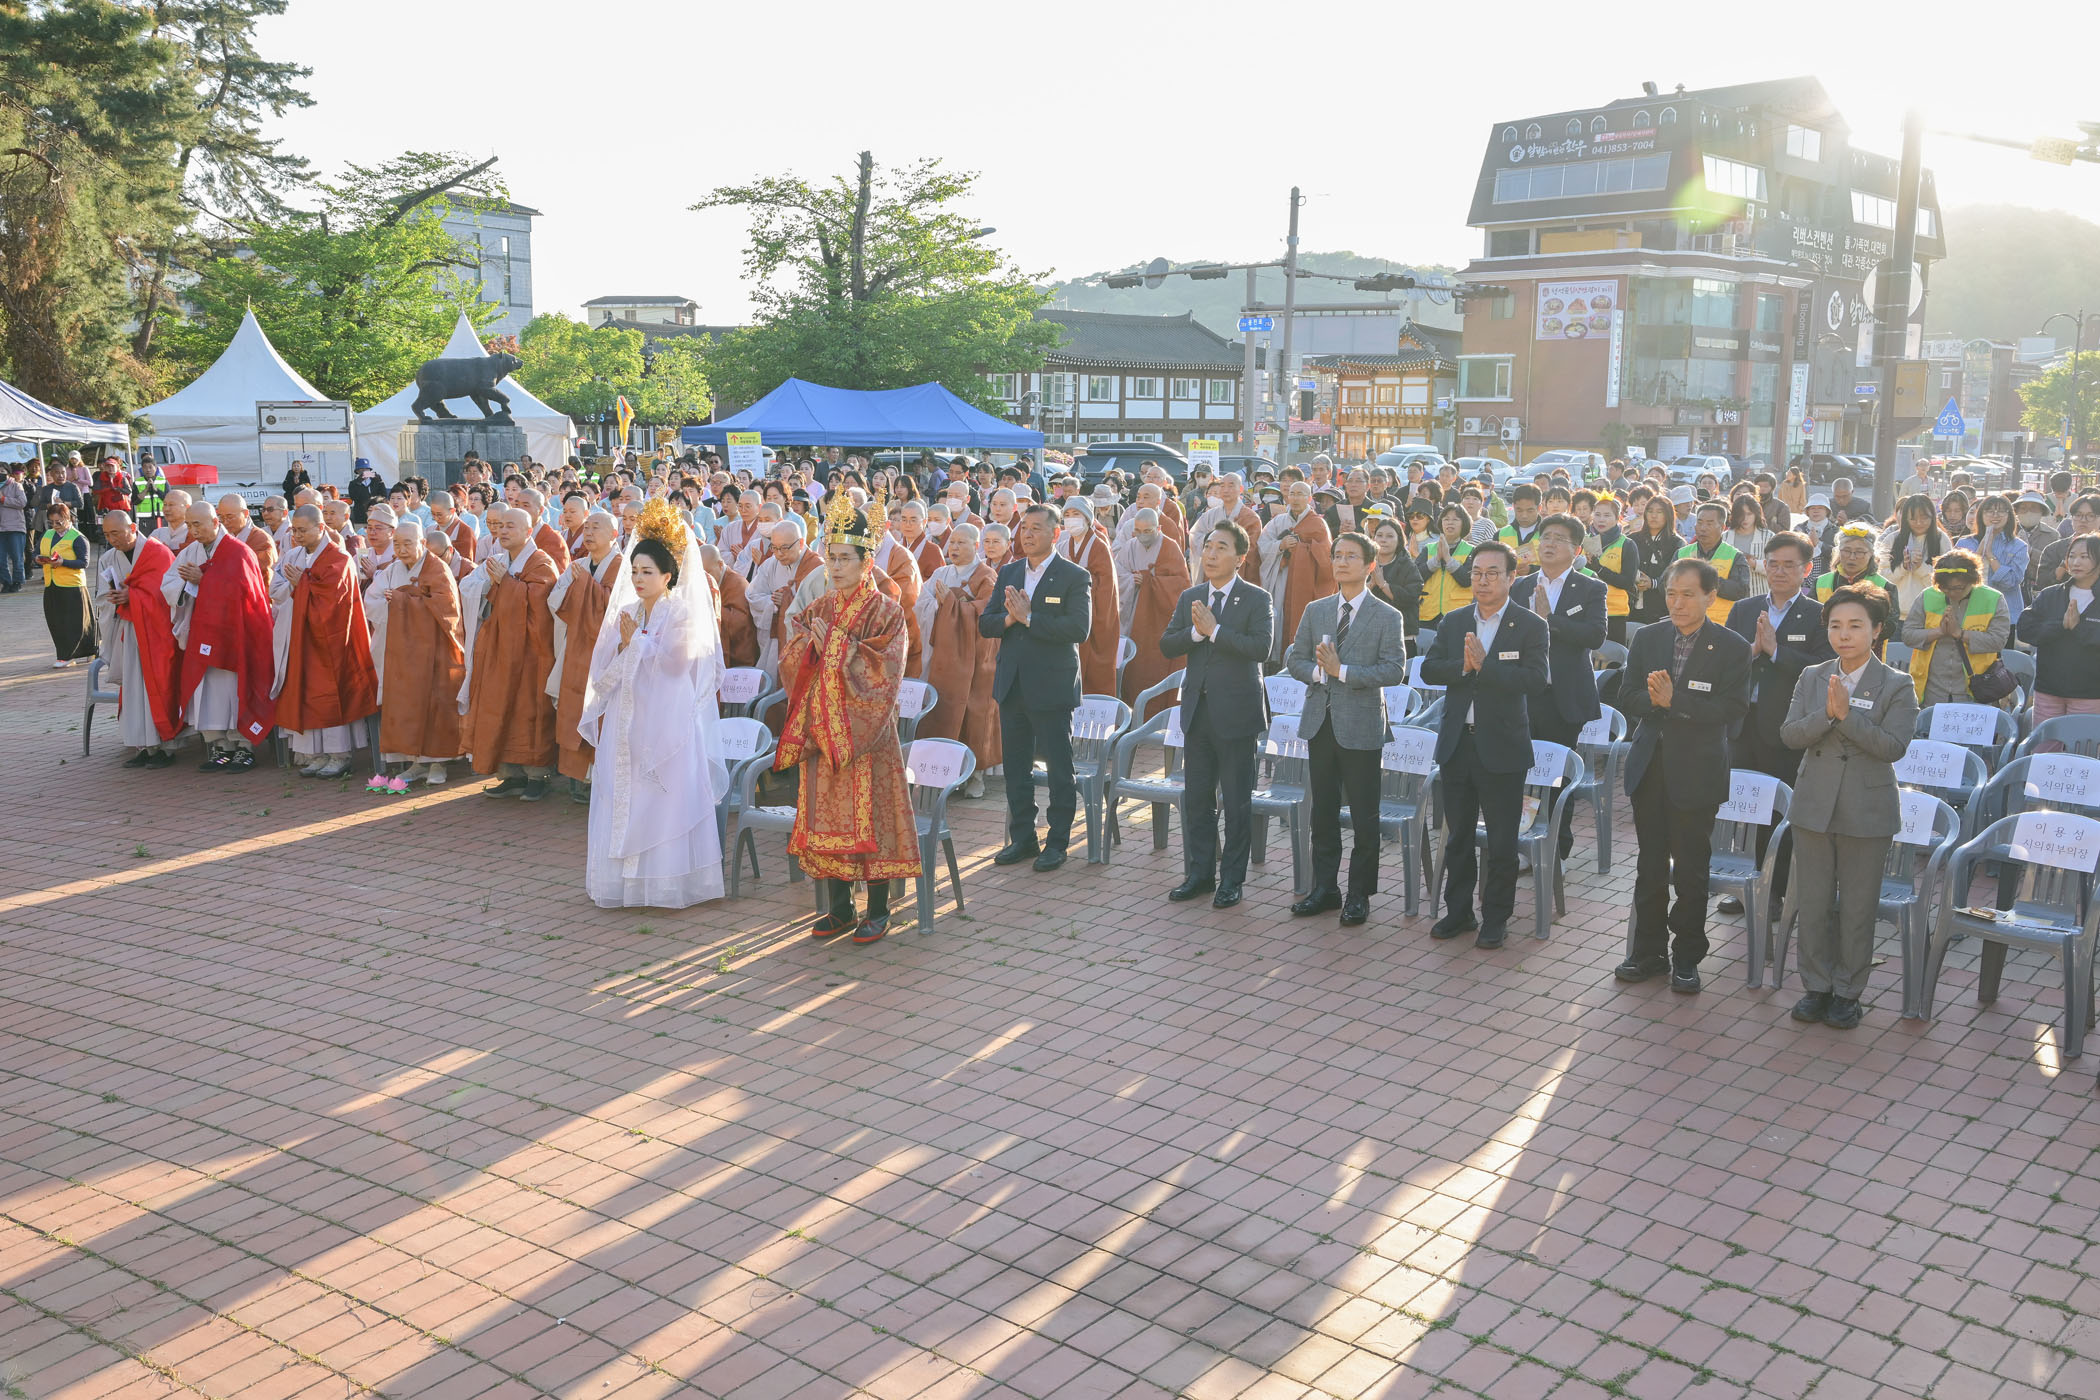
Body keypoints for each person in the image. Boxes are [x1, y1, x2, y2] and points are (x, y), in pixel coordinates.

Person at [776, 497, 919, 941]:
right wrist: (812, 649)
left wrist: (837, 647)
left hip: (868, 735)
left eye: (844, 559)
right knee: (827, 820)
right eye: (831, 558)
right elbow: (791, 657)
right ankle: (839, 908)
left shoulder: (887, 612)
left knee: (871, 818)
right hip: (823, 732)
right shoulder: (820, 608)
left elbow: (885, 671)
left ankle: (878, 909)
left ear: (866, 561)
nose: (835, 567)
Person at [1780, 584, 1917, 1030]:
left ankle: (1847, 993)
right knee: (1813, 902)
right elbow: (1790, 734)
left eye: (1856, 625)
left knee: (1858, 907)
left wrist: (1847, 716)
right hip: (1814, 803)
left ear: (1877, 630)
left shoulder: (1897, 683)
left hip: (1867, 806)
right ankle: (1816, 987)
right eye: (1836, 625)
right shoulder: (1812, 676)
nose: (1844, 634)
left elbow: (1893, 746)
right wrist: (1827, 714)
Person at [1617, 558, 1752, 993]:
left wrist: (1675, 703)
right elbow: (1627, 694)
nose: (1677, 603)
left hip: (1697, 771)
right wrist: (1654, 702)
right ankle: (1648, 952)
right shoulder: (1649, 637)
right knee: (1649, 865)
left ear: (1711, 597)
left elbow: (1732, 710)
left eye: (1688, 595)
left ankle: (1688, 957)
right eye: (1671, 594)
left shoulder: (1731, 647)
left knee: (1692, 871)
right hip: (1650, 767)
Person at [1420, 541, 1550, 947]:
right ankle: (1458, 912)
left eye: (1492, 573)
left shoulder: (1530, 625)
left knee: (1501, 841)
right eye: (1476, 572)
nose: (1482, 580)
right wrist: (1462, 666)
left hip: (1503, 747)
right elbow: (1429, 668)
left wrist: (1486, 667)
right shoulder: (1455, 620)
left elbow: (1535, 681)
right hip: (1458, 744)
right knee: (1458, 836)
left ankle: (1496, 917)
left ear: (1512, 577)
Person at [1286, 532, 1408, 925]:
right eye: (1337, 555)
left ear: (1370, 566)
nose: (1341, 562)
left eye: (1351, 556)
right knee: (1322, 812)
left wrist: (1343, 671)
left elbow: (1394, 669)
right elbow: (1295, 659)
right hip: (1320, 722)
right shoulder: (1317, 609)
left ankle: (1359, 894)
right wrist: (1319, 672)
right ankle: (1325, 888)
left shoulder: (1387, 615)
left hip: (1362, 725)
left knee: (1363, 815)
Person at [1159, 522, 1273, 909]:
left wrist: (1215, 630)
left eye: (1221, 547)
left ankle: (1232, 880)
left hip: (1237, 714)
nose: (1210, 553)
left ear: (1240, 558)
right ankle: (1200, 874)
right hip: (1198, 712)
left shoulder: (1256, 598)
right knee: (1197, 799)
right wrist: (1195, 633)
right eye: (1208, 545)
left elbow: (1261, 648)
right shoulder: (1191, 596)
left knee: (1237, 801)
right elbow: (1167, 644)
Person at [1721, 532, 1828, 918]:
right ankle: (1743, 885)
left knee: (1779, 812)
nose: (1779, 571)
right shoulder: (1744, 609)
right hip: (1741, 725)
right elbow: (1723, 661)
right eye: (1773, 564)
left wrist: (1777, 652)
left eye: (1789, 565)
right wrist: (1749, 653)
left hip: (1785, 728)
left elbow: (1821, 669)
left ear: (1806, 569)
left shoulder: (1818, 615)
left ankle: (1777, 891)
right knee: (1744, 807)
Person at [982, 503, 1093, 872]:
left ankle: (1057, 842)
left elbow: (1079, 629)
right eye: (1024, 528)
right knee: (1017, 768)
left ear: (1055, 534)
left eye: (1036, 528)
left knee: (1059, 769)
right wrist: (1010, 620)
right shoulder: (1010, 571)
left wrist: (1030, 618)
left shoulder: (1074, 576)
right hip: (1012, 684)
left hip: (1051, 685)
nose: (1027, 535)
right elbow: (986, 623)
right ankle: (1023, 837)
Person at [1510, 513, 1607, 861]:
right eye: (1545, 536)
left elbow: (1595, 635)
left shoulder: (1590, 587)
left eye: (1559, 538)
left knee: (1556, 777)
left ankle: (1555, 850)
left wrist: (1550, 620)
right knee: (1520, 772)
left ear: (1577, 549)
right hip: (1524, 695)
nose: (1549, 543)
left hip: (1563, 697)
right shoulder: (1521, 586)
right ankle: (1523, 844)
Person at [163, 499, 276, 771]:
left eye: (198, 524)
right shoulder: (190, 552)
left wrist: (204, 580)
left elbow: (246, 592)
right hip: (202, 633)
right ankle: (220, 747)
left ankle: (243, 746)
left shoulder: (239, 552)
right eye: (189, 525)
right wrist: (189, 582)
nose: (193, 531)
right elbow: (169, 583)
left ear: (215, 522)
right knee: (208, 692)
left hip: (235, 635)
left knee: (235, 691)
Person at [273, 504, 378, 779]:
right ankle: (315, 754)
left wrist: (303, 583)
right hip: (301, 634)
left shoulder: (339, 558)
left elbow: (333, 600)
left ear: (320, 528)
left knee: (331, 693)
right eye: (294, 531)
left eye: (302, 530)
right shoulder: (293, 554)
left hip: (331, 640)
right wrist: (298, 584)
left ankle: (339, 754)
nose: (297, 536)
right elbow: (276, 588)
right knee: (306, 690)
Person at [464, 507, 561, 800]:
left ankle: (537, 775)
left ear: (528, 531)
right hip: (499, 647)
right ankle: (510, 774)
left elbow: (541, 608)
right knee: (498, 705)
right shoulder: (498, 560)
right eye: (501, 526)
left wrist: (505, 583)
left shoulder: (542, 562)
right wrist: (493, 583)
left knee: (529, 710)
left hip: (532, 652)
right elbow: (470, 588)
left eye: (511, 526)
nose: (503, 531)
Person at [366, 517, 465, 786]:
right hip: (402, 651)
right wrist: (402, 601)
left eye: (408, 543)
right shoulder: (392, 570)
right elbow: (372, 599)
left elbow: (448, 610)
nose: (401, 549)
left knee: (436, 705)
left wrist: (401, 600)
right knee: (406, 704)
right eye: (397, 544)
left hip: (435, 651)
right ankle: (416, 763)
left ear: (422, 542)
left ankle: (438, 763)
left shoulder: (437, 569)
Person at [92, 511, 183, 766]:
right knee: (133, 688)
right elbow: (102, 597)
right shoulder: (109, 558)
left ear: (132, 527)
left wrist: (132, 597)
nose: (112, 539)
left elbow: (169, 593)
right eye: (107, 534)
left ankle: (166, 747)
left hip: (155, 633)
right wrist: (115, 598)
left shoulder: (158, 553)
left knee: (159, 686)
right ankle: (143, 746)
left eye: (116, 533)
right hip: (128, 632)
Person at [549, 511, 626, 800]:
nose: (589, 533)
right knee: (574, 707)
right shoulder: (579, 564)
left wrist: (583, 585)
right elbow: (555, 601)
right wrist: (578, 585)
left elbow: (616, 608)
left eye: (596, 528)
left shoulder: (622, 567)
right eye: (587, 528)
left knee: (602, 710)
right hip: (577, 648)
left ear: (614, 535)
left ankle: (598, 776)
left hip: (605, 651)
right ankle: (577, 774)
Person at [1902, 548, 2010, 708]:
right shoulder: (1928, 596)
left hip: (1975, 690)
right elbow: (1908, 635)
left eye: (1958, 588)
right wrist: (1939, 632)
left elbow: (1998, 641)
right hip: (1932, 689)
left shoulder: (1993, 599)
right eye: (1945, 588)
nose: (1952, 593)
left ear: (1973, 580)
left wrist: (1960, 634)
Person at [2018, 535, 2100, 741]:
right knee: (2045, 749)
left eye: (2084, 557)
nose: (2076, 562)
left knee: (2080, 750)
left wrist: (2079, 627)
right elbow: (2025, 629)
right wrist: (2059, 626)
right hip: (2049, 689)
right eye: (2071, 556)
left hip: (2090, 692)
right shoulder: (2051, 594)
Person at [1114, 506, 1191, 716]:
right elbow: (1117, 574)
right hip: (1134, 616)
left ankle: (1160, 712)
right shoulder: (1129, 546)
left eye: (1148, 531)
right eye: (1138, 531)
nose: (1143, 536)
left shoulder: (1170, 547)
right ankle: (1134, 712)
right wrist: (1132, 579)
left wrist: (1150, 580)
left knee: (1158, 663)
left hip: (1161, 618)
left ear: (1158, 528)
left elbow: (1181, 584)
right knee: (1135, 666)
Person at [1257, 481, 1336, 664]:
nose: (1295, 498)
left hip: (1305, 582)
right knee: (1279, 617)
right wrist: (1281, 545)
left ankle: (1299, 661)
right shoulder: (1277, 521)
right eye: (1292, 493)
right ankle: (1276, 662)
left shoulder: (1318, 524)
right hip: (1281, 577)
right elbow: (1262, 545)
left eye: (1300, 494)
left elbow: (1326, 557)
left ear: (1309, 498)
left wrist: (1301, 548)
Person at [1060, 495, 1121, 697]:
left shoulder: (1099, 545)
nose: (1071, 519)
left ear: (1087, 518)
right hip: (1070, 611)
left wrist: (1078, 578)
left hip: (1094, 612)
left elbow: (1107, 585)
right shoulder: (1064, 543)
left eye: (1076, 514)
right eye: (1067, 515)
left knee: (1095, 668)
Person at [36, 501, 97, 667]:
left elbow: (83, 562)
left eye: (59, 522)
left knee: (75, 623)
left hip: (72, 586)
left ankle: (68, 656)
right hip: (51, 584)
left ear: (68, 519)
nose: (55, 526)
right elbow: (36, 552)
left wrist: (63, 562)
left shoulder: (78, 537)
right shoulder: (47, 534)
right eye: (51, 522)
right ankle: (83, 651)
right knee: (56, 622)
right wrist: (38, 559)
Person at [1958, 493, 2028, 625]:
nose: (1995, 515)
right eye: (1989, 511)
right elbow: (1959, 578)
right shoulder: (1965, 543)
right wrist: (1979, 552)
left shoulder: (2018, 546)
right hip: (1969, 611)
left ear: (2009, 515)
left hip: (2005, 615)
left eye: (2001, 511)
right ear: (1981, 514)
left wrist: (1990, 555)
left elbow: (2011, 581)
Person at [1678, 503, 1750, 624]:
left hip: (1722, 625)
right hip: (1686, 622)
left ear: (1722, 527)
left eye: (1709, 524)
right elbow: (1665, 585)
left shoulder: (1734, 556)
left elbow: (1741, 591)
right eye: (1699, 522)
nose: (1703, 528)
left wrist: (1708, 579)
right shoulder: (1682, 553)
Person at [1880, 494, 1949, 614]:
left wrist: (1921, 568)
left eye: (1924, 518)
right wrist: (1903, 568)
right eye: (1913, 519)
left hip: (1930, 612)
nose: (1919, 523)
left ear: (1933, 516)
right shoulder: (1892, 539)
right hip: (1896, 613)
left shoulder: (1941, 539)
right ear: (1905, 519)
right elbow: (1882, 578)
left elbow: (1946, 582)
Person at [1366, 515, 1423, 650]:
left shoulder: (1408, 566)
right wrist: (1371, 584)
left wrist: (1383, 585)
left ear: (1399, 540)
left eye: (1390, 536)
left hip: (1402, 635)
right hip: (1369, 633)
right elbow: (1353, 595)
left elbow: (1411, 597)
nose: (1383, 540)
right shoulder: (1365, 563)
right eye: (1379, 535)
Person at [1416, 503, 1474, 629]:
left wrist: (1448, 558)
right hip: (1427, 613)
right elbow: (1416, 576)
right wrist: (1436, 559)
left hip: (1457, 614)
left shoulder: (1471, 550)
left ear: (1464, 524)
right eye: (1446, 519)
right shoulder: (1428, 548)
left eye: (1455, 519)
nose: (1450, 523)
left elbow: (1467, 580)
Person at [1, 463, 29, 593]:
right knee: (1, 559)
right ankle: (6, 582)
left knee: (17, 557)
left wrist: (4, 499)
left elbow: (22, 502)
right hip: (1, 529)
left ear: (8, 472)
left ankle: (18, 581)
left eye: (2, 471)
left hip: (15, 527)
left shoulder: (16, 486)